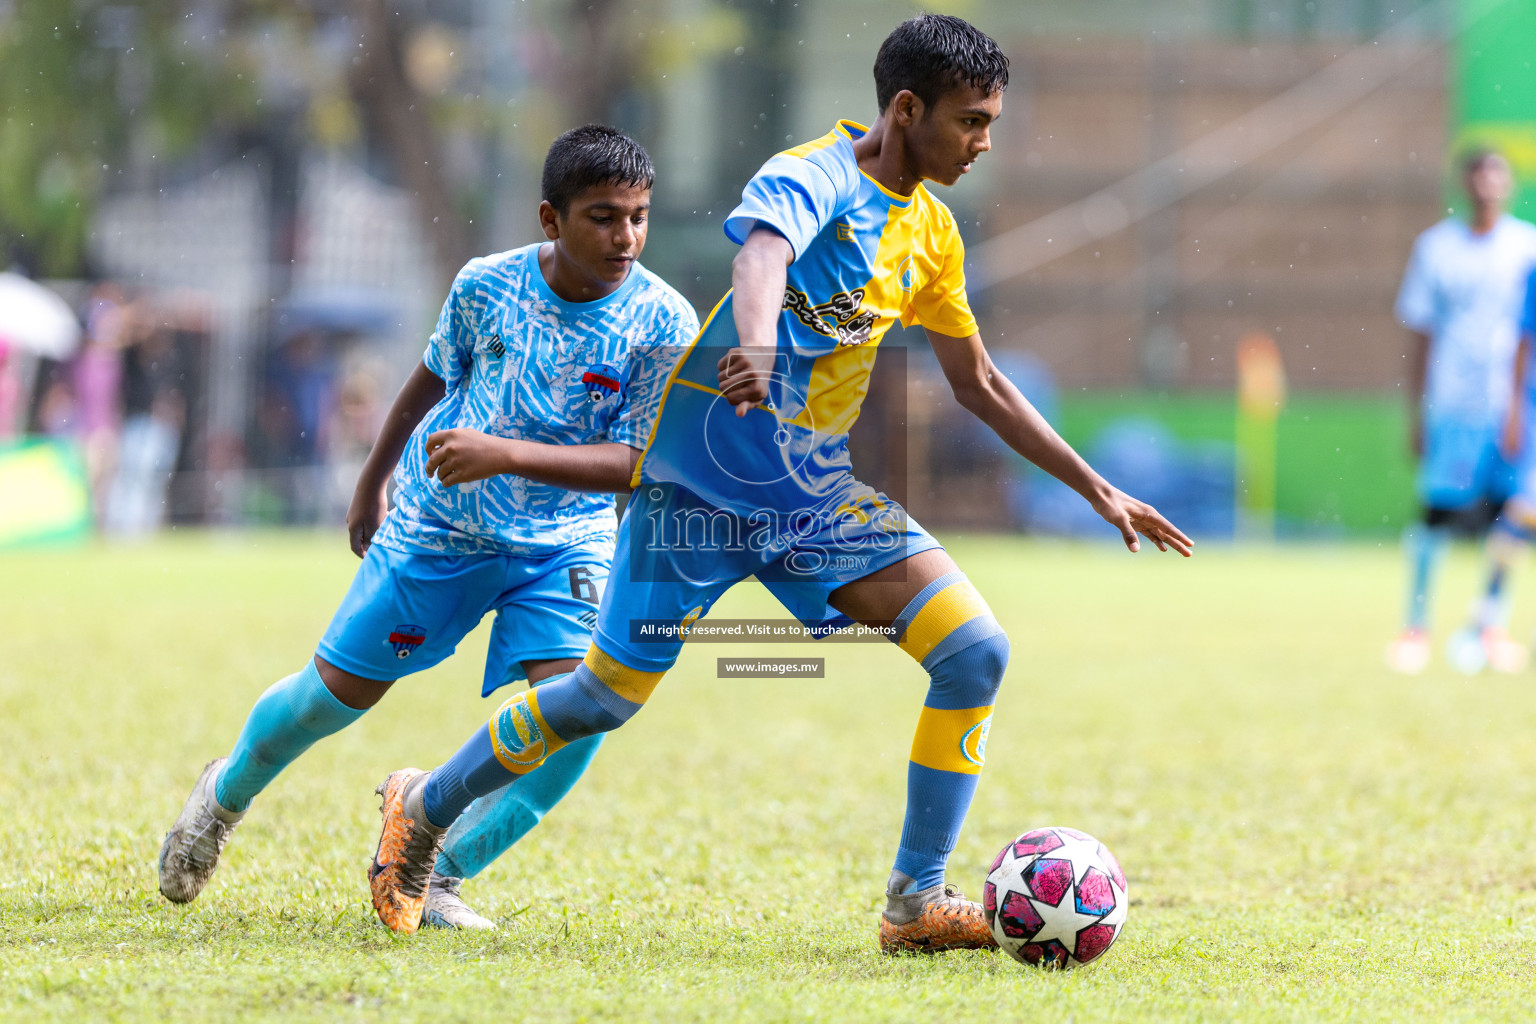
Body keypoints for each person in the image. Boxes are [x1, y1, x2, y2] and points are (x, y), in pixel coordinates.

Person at [366, 14, 1191, 952]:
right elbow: (762, 254)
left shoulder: (934, 236)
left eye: (992, 121)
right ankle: (422, 808)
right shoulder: (816, 174)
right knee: (602, 697)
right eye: (970, 120)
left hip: (808, 494)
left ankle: (914, 902)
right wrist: (755, 349)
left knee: (974, 653)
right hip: (700, 483)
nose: (983, 141)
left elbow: (983, 384)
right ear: (907, 109)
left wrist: (1098, 489)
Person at [157, 125, 698, 929]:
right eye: (603, 216)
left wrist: (506, 453)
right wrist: (371, 482)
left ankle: (432, 869)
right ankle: (222, 795)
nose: (626, 237)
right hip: (442, 526)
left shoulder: (663, 321)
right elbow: (428, 380)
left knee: (582, 712)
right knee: (332, 699)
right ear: (551, 219)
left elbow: (634, 462)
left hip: (564, 542)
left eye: (639, 216)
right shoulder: (488, 285)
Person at [1386, 149, 1536, 675]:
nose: (1487, 186)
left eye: (1496, 177)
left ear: (1510, 185)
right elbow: (1421, 335)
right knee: (1438, 515)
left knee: (1515, 518)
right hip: (1452, 404)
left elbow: (1527, 335)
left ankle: (1490, 625)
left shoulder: (1527, 247)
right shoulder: (1436, 248)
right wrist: (1416, 411)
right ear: (1462, 184)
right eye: (1477, 176)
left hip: (1514, 405)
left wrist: (1521, 407)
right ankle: (1415, 628)